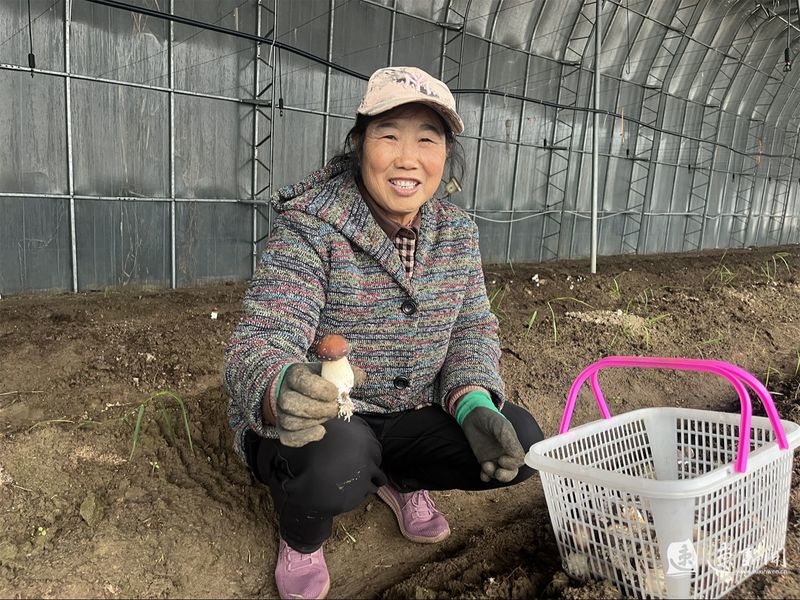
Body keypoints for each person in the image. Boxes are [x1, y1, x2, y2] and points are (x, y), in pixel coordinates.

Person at [224, 65, 544, 600]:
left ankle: (403, 480)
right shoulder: (311, 228)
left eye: (427, 139)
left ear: (445, 154)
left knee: (521, 442)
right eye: (389, 135)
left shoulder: (456, 232)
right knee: (336, 463)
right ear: (358, 144)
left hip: (410, 411)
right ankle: (302, 536)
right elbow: (264, 332)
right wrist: (278, 386)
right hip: (333, 418)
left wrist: (469, 399)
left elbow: (471, 327)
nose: (407, 158)